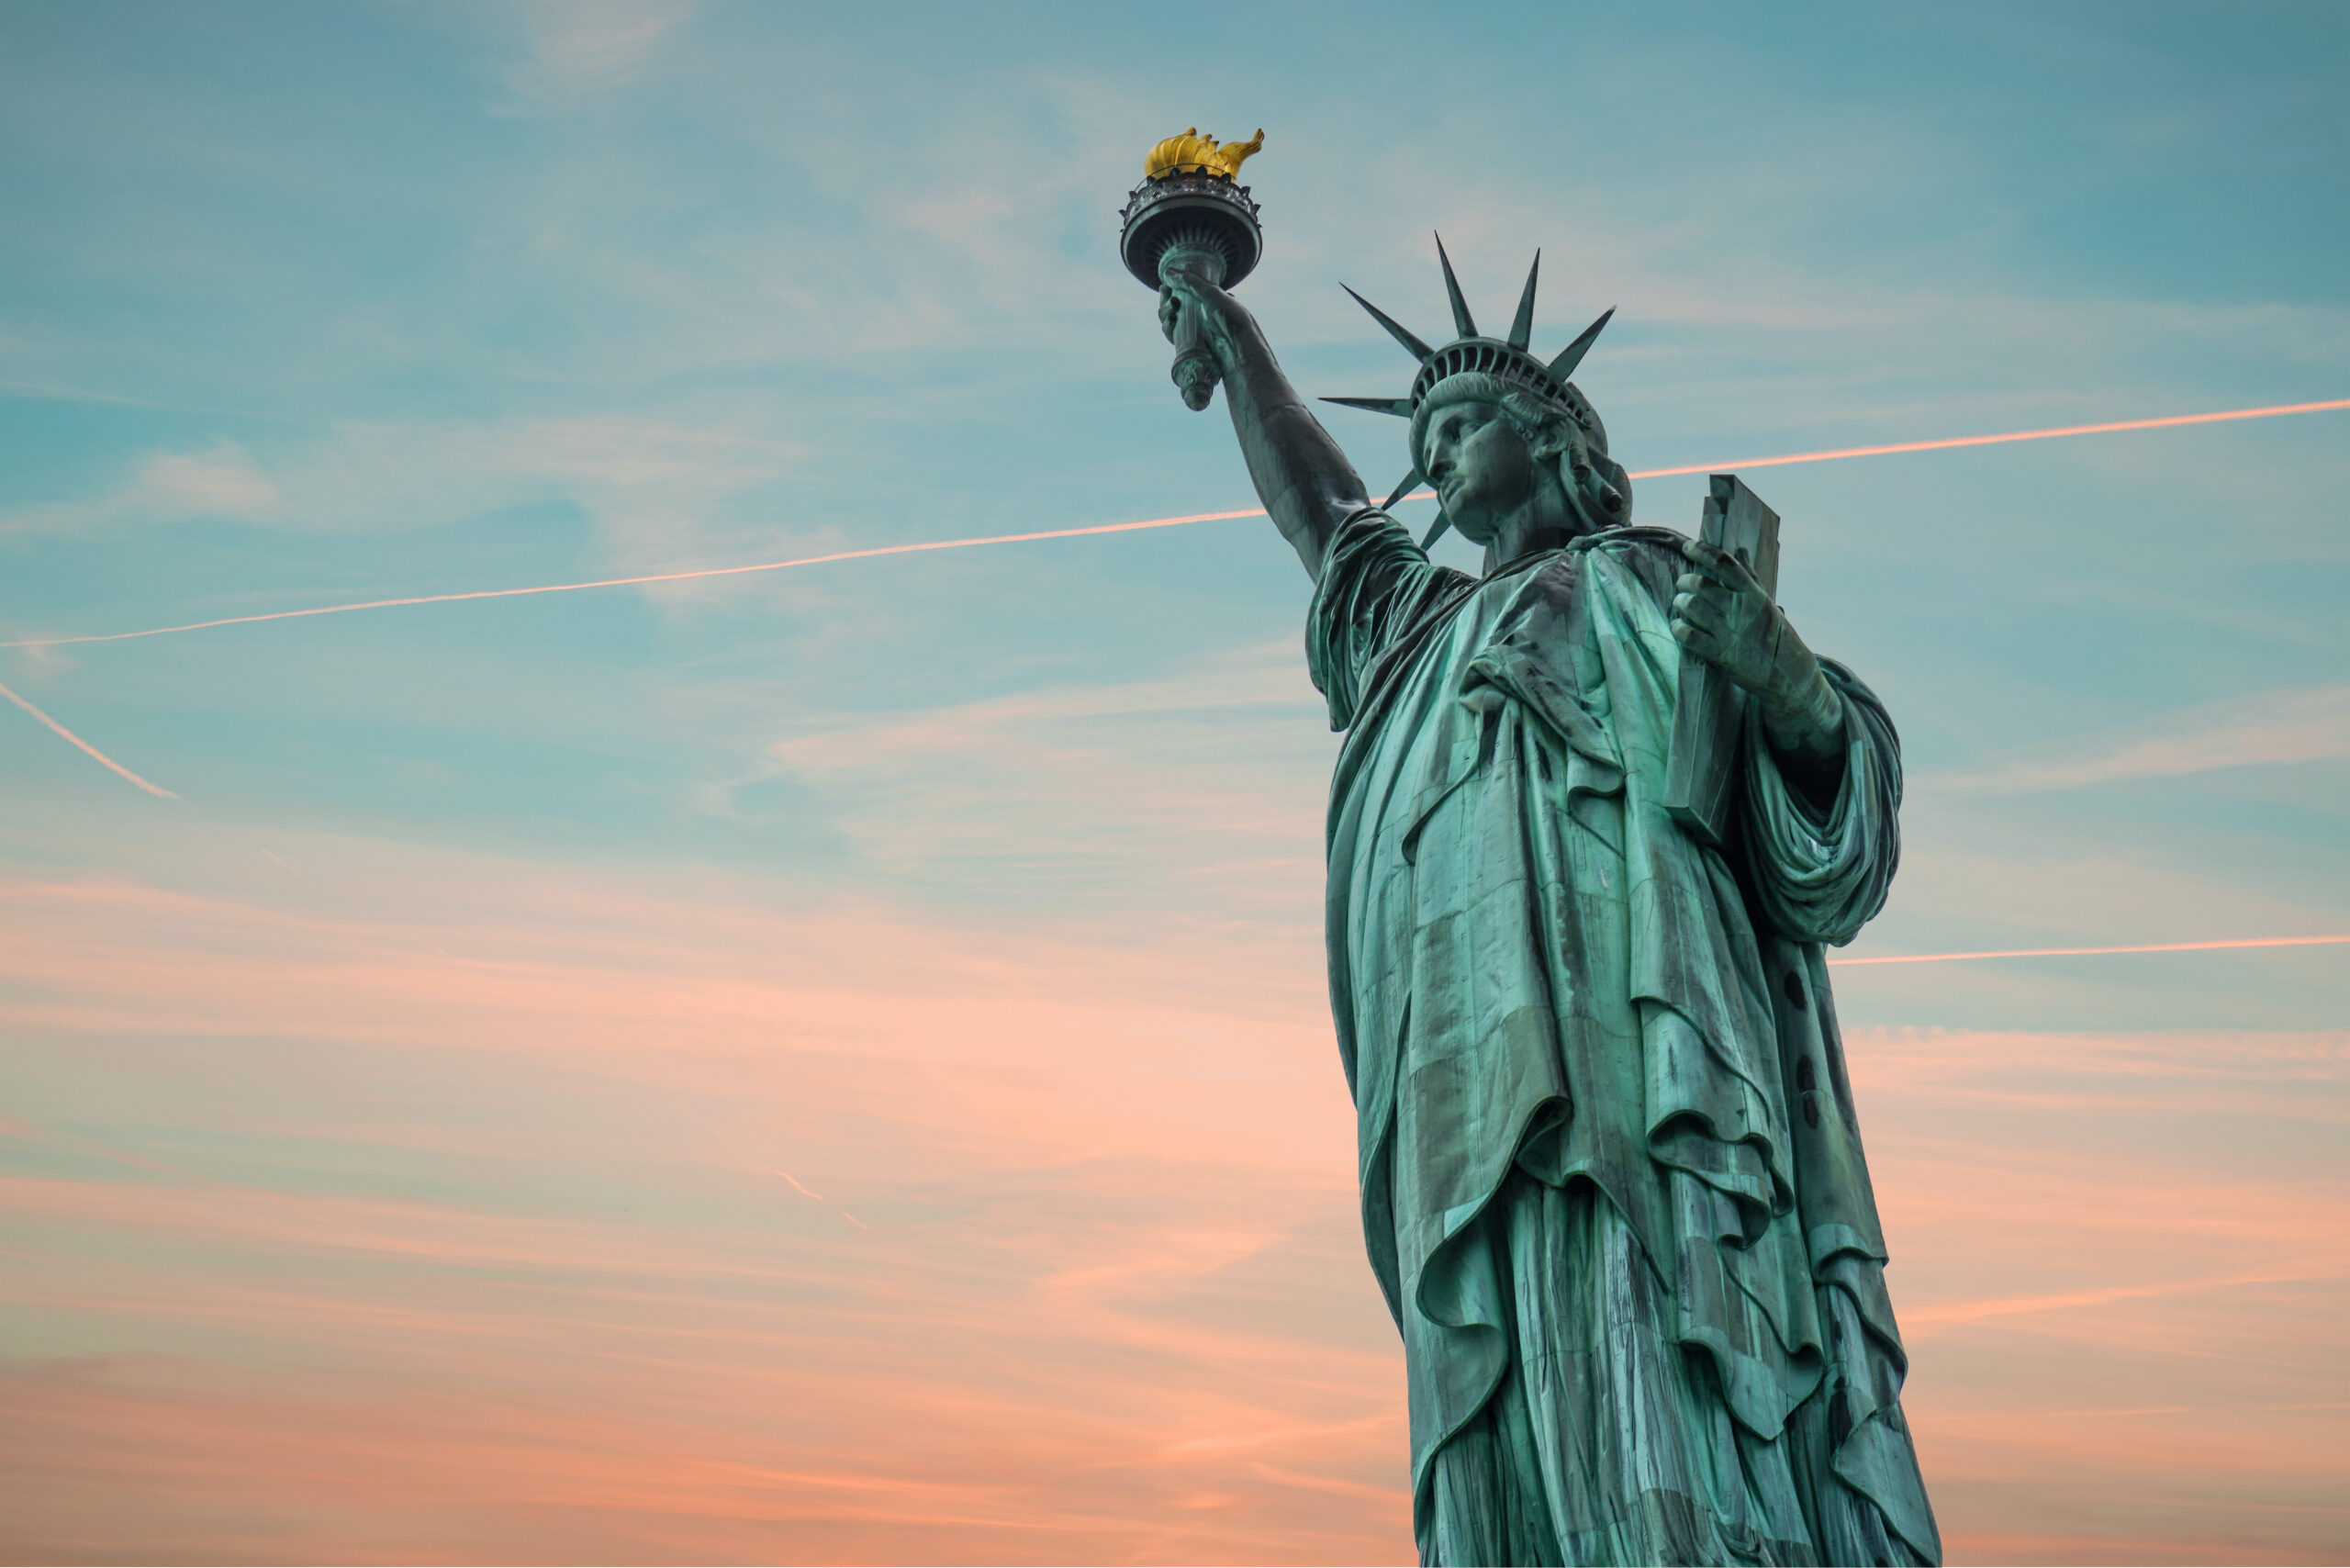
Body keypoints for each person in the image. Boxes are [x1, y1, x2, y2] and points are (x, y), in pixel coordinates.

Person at [1157, 250, 1941, 1567]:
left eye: (1465, 427)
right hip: (1463, 1104)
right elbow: (1325, 512)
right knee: (1514, 1419)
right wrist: (1233, 339)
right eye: (1426, 441)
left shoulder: (1657, 589)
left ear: (1558, 437)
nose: (1440, 459)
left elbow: (1836, 847)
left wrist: (1787, 680)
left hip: (1652, 1072)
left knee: (1658, 1384)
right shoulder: (1412, 636)